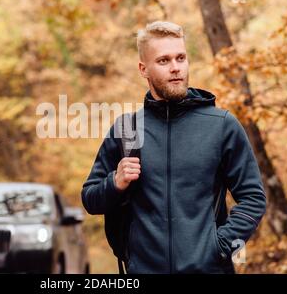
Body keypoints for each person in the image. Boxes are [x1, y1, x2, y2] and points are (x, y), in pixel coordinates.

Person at [81, 21, 266, 274]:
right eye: (164, 61)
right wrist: (115, 182)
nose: (176, 68)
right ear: (143, 69)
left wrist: (220, 247)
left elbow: (253, 197)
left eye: (181, 58)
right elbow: (91, 199)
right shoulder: (127, 129)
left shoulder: (222, 125)